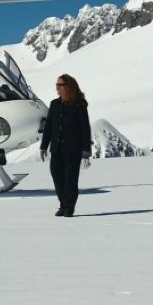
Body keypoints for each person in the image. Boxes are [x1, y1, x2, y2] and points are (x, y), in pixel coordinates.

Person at [40, 74, 92, 217]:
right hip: (56, 148)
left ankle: (69, 207)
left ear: (68, 87)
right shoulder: (54, 104)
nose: (57, 88)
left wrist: (86, 149)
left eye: (60, 85)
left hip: (73, 149)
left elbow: (85, 128)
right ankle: (63, 204)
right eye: (57, 85)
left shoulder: (79, 105)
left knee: (70, 179)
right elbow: (49, 126)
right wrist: (44, 146)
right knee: (57, 176)